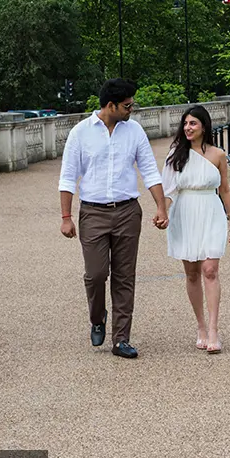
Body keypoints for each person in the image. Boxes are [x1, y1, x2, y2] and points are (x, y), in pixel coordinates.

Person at [58, 78, 169, 360]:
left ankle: (122, 339)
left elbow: (149, 171)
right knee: (95, 274)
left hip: (127, 211)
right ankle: (97, 318)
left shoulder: (134, 131)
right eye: (128, 105)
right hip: (93, 212)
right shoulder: (80, 133)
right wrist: (66, 217)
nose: (132, 109)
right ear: (111, 105)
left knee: (124, 277)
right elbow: (68, 177)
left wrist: (161, 207)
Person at [161, 105, 230, 354]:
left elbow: (225, 189)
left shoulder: (218, 155)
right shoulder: (176, 155)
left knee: (210, 269)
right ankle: (201, 327)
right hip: (184, 212)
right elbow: (169, 189)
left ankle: (214, 329)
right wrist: (163, 213)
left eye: (193, 123)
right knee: (192, 272)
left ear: (204, 126)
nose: (188, 128)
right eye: (185, 124)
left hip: (211, 210)